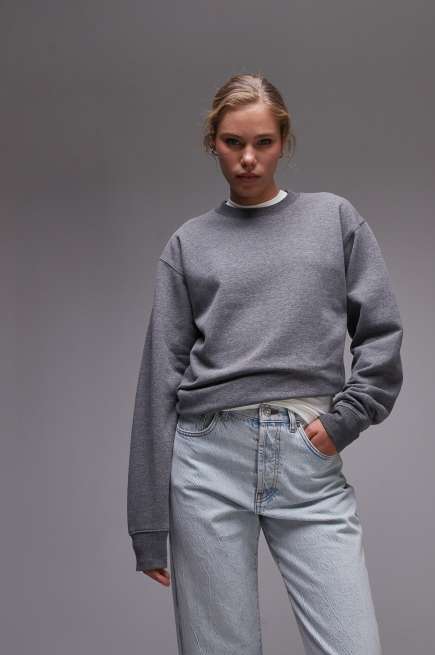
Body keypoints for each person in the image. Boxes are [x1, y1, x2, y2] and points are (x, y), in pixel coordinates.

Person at [127, 73, 403, 655]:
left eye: (263, 143)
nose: (248, 158)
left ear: (284, 142)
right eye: (233, 143)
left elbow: (380, 335)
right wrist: (148, 523)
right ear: (213, 143)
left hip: (306, 455)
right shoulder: (188, 244)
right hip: (206, 463)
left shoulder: (334, 219)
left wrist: (345, 420)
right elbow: (159, 381)